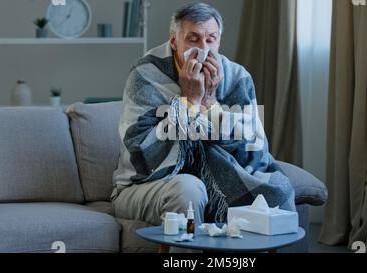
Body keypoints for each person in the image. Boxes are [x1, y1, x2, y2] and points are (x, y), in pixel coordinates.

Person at [112, 3, 295, 228]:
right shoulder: (145, 76)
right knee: (189, 189)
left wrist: (209, 102)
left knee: (277, 191)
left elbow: (253, 150)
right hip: (144, 185)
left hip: (215, 180)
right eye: (193, 39)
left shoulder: (237, 76)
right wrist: (189, 102)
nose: (203, 49)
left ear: (219, 41)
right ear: (173, 41)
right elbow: (140, 152)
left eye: (211, 39)